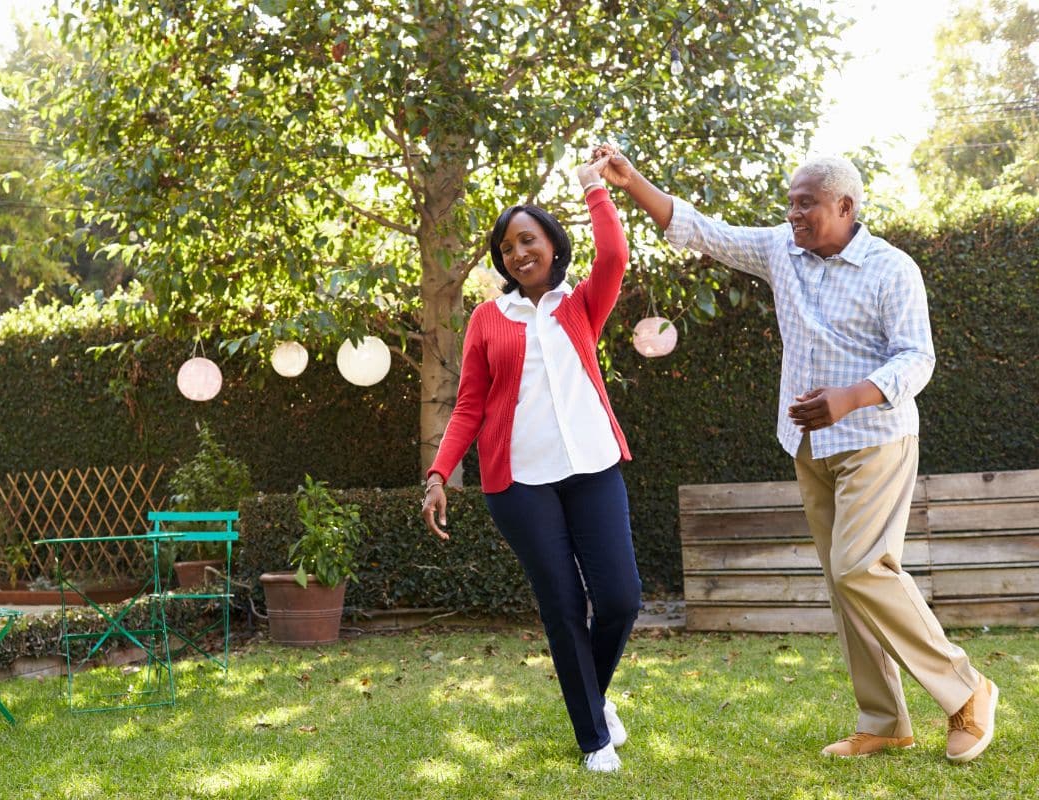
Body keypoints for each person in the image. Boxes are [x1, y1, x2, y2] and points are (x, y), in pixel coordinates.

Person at [593, 147, 998, 763]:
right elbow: (706, 231)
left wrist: (850, 399)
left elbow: (917, 358)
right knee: (845, 582)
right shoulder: (782, 249)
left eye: (805, 203)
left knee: (863, 566)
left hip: (876, 438)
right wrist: (632, 182)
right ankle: (884, 720)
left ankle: (967, 689)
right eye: (790, 202)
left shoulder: (892, 269)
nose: (793, 214)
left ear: (846, 206)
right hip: (810, 446)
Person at [421, 156, 643, 773]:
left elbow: (616, 257)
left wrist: (594, 188)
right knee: (564, 606)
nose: (518, 252)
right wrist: (439, 474)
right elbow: (468, 404)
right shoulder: (488, 319)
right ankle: (594, 739)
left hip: (594, 467)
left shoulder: (580, 306)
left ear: (551, 245)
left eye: (529, 239)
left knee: (621, 599)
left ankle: (591, 699)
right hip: (519, 483)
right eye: (507, 245)